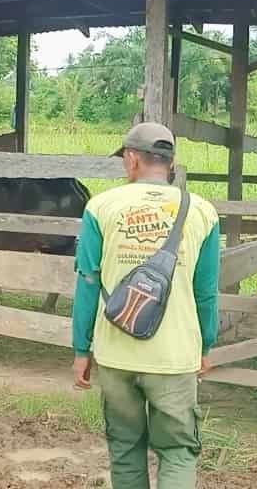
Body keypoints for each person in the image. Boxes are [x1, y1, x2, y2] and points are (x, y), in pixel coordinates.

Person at [71, 122, 220, 489]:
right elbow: (206, 291)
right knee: (178, 451)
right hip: (174, 356)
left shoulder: (100, 207)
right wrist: (205, 344)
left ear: (132, 159)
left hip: (116, 353)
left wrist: (81, 349)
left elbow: (88, 282)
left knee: (125, 447)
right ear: (171, 162)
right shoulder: (203, 212)